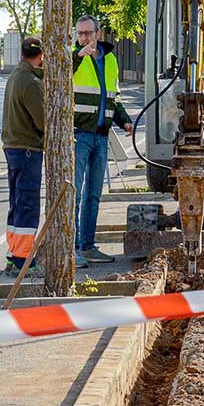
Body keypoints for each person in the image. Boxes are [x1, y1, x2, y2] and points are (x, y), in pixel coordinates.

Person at [72, 15, 134, 267]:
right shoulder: (74, 58)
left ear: (99, 34)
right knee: (73, 193)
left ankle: (87, 246)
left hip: (101, 136)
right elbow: (60, 74)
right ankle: (71, 248)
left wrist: (124, 121)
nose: (84, 38)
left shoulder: (110, 60)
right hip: (79, 134)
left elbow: (113, 98)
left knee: (94, 194)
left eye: (88, 33)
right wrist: (77, 56)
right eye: (80, 34)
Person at [1, 37, 45, 278]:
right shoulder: (31, 83)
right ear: (40, 56)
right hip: (28, 149)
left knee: (16, 206)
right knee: (28, 206)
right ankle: (24, 260)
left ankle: (13, 253)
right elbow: (43, 121)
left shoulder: (17, 75)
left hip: (13, 148)